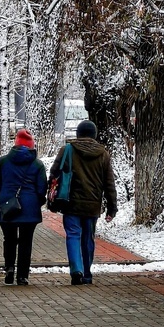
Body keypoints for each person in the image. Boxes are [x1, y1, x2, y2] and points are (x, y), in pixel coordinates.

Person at [49, 120, 117, 285]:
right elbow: (109, 183)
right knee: (88, 238)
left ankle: (76, 270)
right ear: (94, 135)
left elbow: (54, 173)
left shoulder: (67, 150)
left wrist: (51, 196)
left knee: (73, 235)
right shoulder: (103, 154)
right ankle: (87, 273)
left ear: (78, 134)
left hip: (70, 203)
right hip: (92, 205)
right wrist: (112, 207)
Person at [0, 129, 47, 286]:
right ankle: (22, 276)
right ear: (31, 145)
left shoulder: (3, 161)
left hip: (7, 207)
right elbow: (42, 189)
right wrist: (37, 202)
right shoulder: (37, 164)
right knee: (26, 242)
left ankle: (9, 269)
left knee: (9, 239)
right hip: (30, 209)